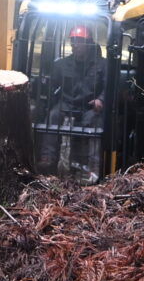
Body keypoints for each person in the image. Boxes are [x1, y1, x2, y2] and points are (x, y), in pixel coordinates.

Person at [42, 24, 106, 177]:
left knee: (94, 122)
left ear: (88, 43)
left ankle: (93, 164)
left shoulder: (103, 65)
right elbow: (51, 86)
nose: (75, 45)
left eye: (79, 41)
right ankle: (47, 157)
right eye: (73, 41)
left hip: (89, 106)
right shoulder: (62, 65)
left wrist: (101, 100)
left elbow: (109, 87)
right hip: (67, 103)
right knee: (53, 115)